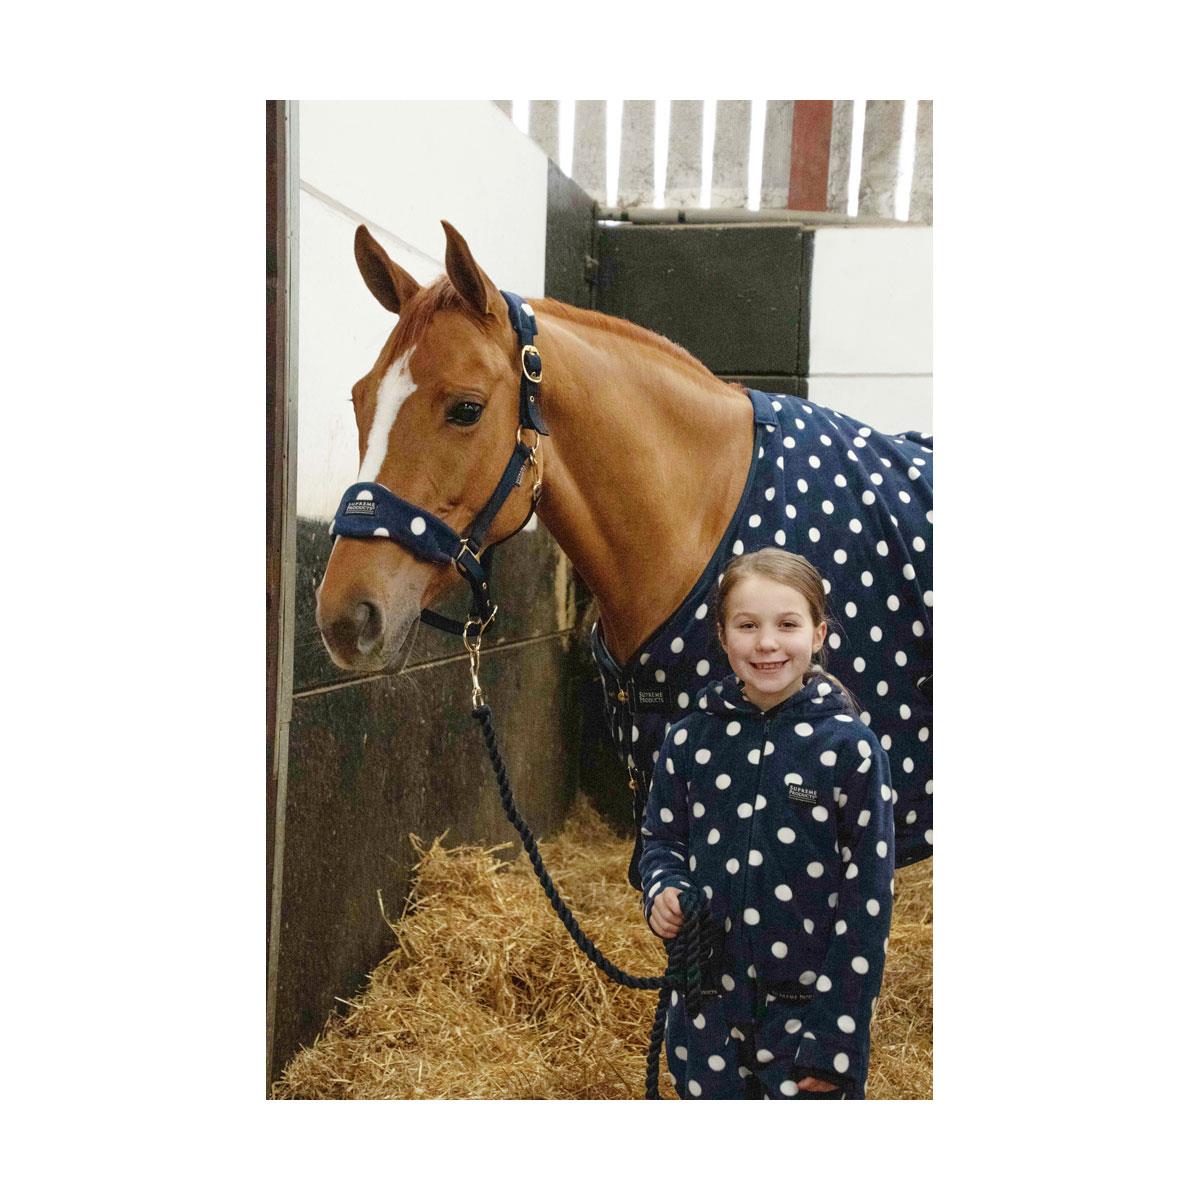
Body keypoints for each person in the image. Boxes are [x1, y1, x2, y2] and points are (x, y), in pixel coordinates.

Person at [639, 548, 895, 1099]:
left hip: (805, 1020)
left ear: (818, 634)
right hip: (705, 1010)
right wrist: (664, 889)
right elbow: (660, 841)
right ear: (723, 635)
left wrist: (836, 1040)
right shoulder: (689, 739)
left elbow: (867, 901)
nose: (767, 643)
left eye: (787, 624)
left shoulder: (851, 750)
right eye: (748, 625)